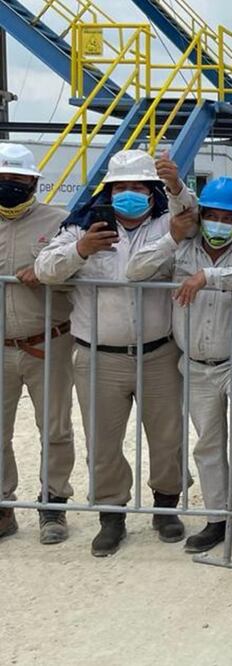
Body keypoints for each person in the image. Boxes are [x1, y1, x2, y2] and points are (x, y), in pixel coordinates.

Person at [35, 149, 193, 556]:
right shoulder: (82, 227)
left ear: (152, 191)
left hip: (159, 353)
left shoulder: (167, 223)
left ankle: (165, 507)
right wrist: (81, 249)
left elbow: (190, 214)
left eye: (139, 186)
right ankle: (112, 515)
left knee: (167, 436)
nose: (130, 193)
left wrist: (176, 185)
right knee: (103, 442)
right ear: (108, 191)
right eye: (121, 187)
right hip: (98, 356)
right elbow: (45, 269)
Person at [127, 177, 232, 553]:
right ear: (202, 215)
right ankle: (217, 520)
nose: (220, 223)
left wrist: (209, 276)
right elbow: (135, 271)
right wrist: (171, 237)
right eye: (214, 215)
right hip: (194, 364)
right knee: (208, 444)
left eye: (229, 217)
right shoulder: (182, 249)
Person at [0, 143, 75, 545]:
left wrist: (47, 273)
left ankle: (53, 502)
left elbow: (80, 278)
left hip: (49, 342)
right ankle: (3, 505)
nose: (9, 185)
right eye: (3, 179)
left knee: (55, 428)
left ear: (33, 182)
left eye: (17, 179)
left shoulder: (59, 222)